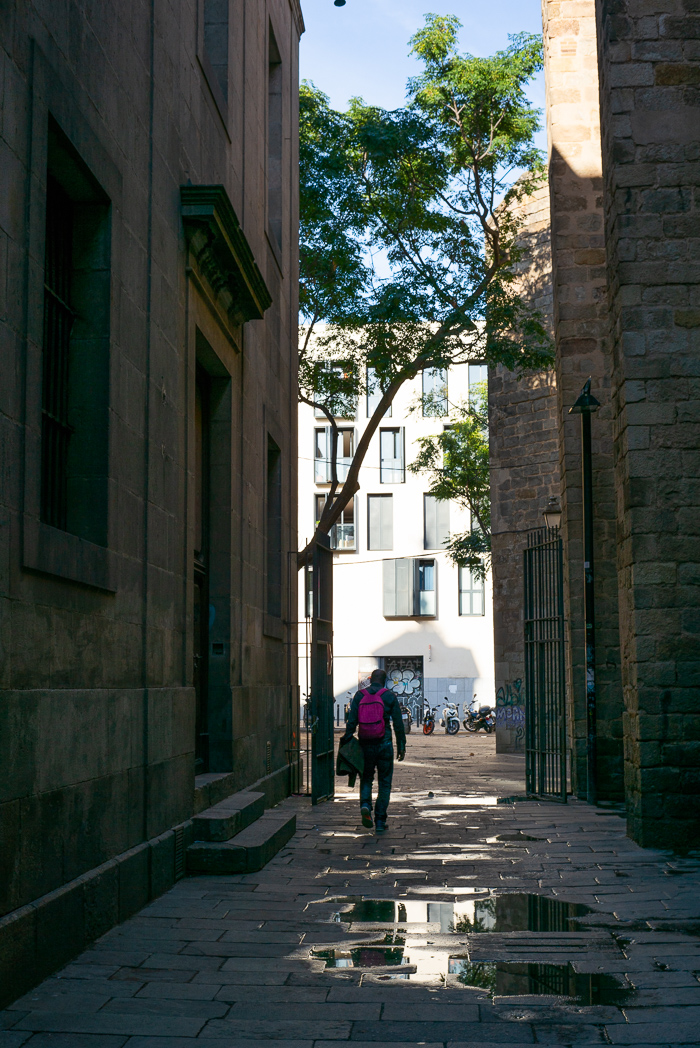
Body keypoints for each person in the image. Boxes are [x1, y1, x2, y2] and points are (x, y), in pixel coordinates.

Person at [340, 668, 406, 833]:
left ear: (370, 680)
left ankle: (365, 805)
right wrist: (401, 745)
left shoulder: (360, 695)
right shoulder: (389, 696)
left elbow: (351, 722)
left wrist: (346, 740)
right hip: (384, 744)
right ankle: (380, 821)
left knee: (366, 777)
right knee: (385, 783)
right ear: (385, 681)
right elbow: (398, 724)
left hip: (365, 743)